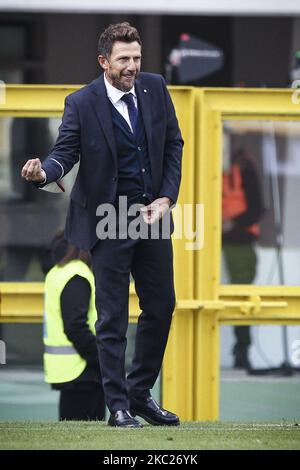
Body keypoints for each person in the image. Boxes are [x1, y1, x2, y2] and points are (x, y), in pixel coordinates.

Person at [21, 22, 183, 428]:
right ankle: (119, 407)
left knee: (161, 306)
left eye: (137, 58)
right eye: (124, 59)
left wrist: (166, 195)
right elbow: (64, 154)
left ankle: (140, 393)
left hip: (152, 216)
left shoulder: (155, 88)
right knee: (111, 316)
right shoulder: (81, 102)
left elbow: (174, 143)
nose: (132, 66)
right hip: (108, 220)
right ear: (103, 61)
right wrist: (43, 174)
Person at [42, 231, 105, 421]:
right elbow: (75, 327)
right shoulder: (77, 275)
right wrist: (101, 360)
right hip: (83, 373)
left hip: (72, 373)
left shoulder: (57, 272)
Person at [222, 148, 264, 370]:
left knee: (241, 296)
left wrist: (232, 224)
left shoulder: (245, 167)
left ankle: (242, 349)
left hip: (238, 241)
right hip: (202, 242)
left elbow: (257, 209)